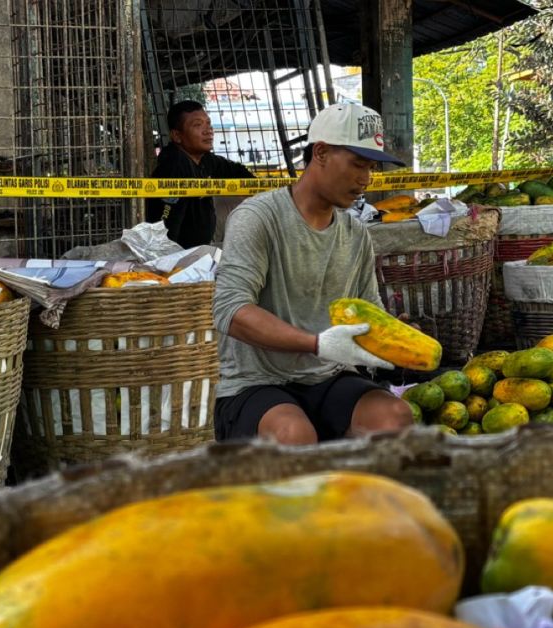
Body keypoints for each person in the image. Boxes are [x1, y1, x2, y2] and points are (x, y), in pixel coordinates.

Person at [211, 103, 416, 445]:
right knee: (294, 434)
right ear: (320, 152)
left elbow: (367, 310)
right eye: (357, 164)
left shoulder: (355, 233)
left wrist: (394, 342)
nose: (366, 179)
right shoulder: (258, 218)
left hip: (329, 378)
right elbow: (231, 312)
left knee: (394, 417)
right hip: (256, 383)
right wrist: (318, 344)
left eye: (371, 168)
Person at [145, 101, 255, 249]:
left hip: (205, 238)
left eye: (208, 124)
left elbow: (239, 172)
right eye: (198, 125)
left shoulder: (204, 159)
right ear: (177, 136)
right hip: (184, 254)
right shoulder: (174, 166)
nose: (208, 130)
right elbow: (166, 230)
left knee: (248, 198)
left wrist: (262, 188)